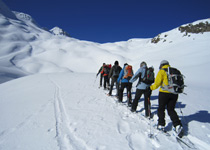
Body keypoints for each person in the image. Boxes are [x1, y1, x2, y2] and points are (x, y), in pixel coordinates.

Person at [146, 60, 184, 137]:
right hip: (174, 93)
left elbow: (157, 83)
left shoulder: (162, 71)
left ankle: (161, 124)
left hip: (164, 93)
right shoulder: (174, 71)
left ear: (162, 65)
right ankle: (177, 125)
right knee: (171, 109)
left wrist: (150, 88)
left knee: (161, 109)